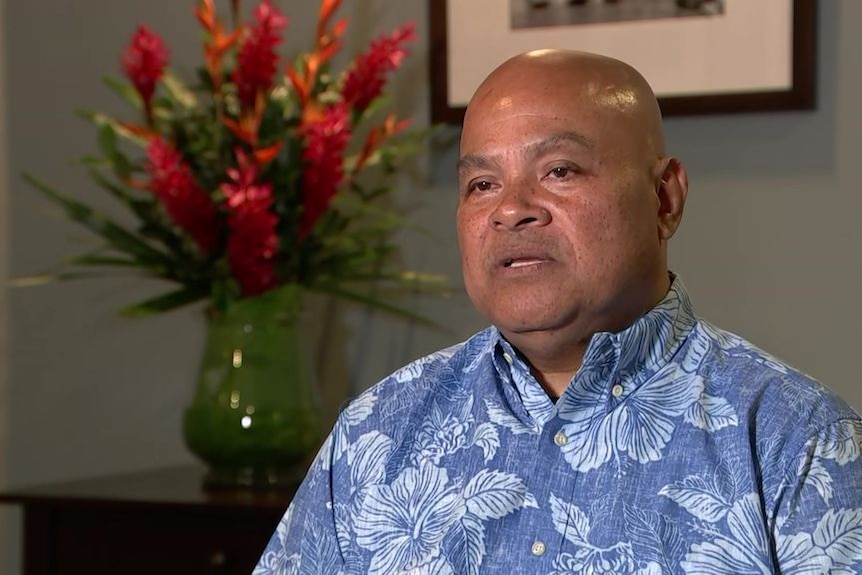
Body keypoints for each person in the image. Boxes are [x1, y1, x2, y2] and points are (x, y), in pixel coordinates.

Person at [254, 49, 862, 574]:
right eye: (482, 184)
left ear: (665, 198)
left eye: (559, 171)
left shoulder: (796, 443)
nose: (511, 209)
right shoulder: (375, 433)